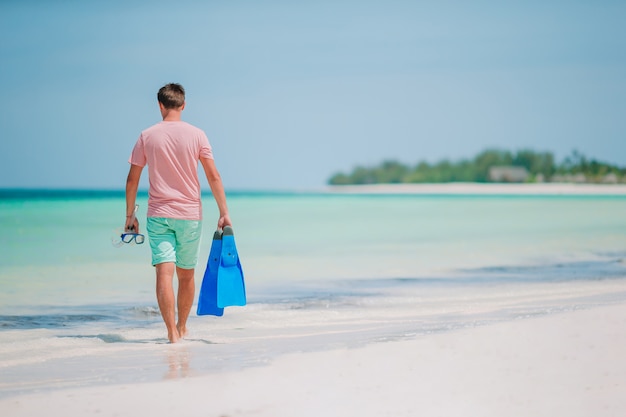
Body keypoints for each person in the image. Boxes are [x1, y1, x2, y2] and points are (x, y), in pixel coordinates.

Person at [124, 83, 231, 343]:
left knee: (164, 274)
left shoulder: (146, 136)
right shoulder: (197, 135)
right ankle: (182, 326)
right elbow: (213, 175)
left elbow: (132, 180)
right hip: (189, 215)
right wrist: (224, 211)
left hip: (158, 214)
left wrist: (129, 216)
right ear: (183, 105)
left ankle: (171, 332)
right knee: (186, 275)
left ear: (160, 105)